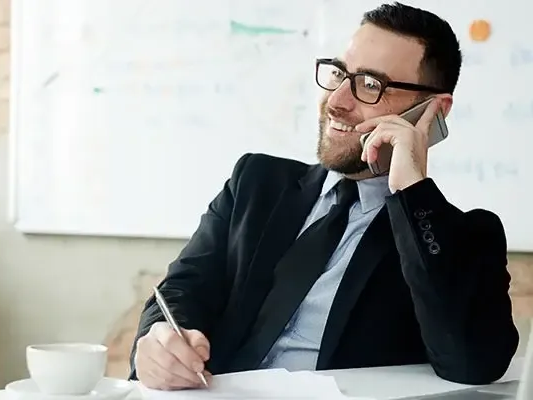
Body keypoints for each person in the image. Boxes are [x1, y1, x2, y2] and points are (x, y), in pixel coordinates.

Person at [129, 2, 519, 391]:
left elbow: (472, 364)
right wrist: (157, 343)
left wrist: (412, 194)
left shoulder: (461, 237)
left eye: (370, 85)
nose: (336, 100)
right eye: (338, 74)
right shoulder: (255, 182)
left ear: (433, 110)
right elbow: (179, 293)